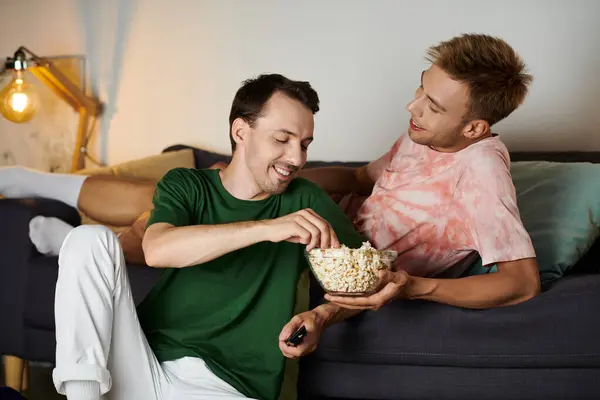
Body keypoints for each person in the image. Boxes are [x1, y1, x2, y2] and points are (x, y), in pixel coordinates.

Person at [47, 74, 366, 400]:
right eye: (282, 140)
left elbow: (366, 282)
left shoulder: (306, 200)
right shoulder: (188, 185)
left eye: (305, 144)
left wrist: (321, 317)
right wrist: (269, 228)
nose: (297, 159)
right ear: (241, 131)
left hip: (228, 387)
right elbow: (157, 249)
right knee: (88, 239)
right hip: (144, 365)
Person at [301, 33, 542, 311]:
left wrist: (414, 287)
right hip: (321, 237)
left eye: (434, 107)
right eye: (421, 88)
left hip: (350, 274)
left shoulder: (482, 171)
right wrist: (288, 181)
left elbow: (523, 283)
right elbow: (359, 179)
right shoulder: (426, 133)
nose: (412, 107)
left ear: (474, 128)